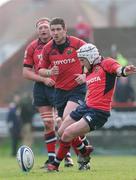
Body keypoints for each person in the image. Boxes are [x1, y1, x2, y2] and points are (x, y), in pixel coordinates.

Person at [46, 43, 136, 171]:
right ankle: (84, 150)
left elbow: (118, 70)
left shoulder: (106, 62)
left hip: (98, 112)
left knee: (67, 134)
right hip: (86, 106)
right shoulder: (88, 70)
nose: (81, 64)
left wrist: (125, 71)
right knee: (61, 131)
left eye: (82, 60)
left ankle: (54, 165)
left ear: (90, 57)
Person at [39, 17, 92, 170]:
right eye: (52, 30)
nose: (54, 33)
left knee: (65, 125)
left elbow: (94, 60)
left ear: (64, 30)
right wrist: (49, 71)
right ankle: (84, 152)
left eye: (57, 29)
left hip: (76, 89)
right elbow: (40, 70)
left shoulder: (77, 43)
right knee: (63, 127)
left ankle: (55, 164)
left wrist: (84, 75)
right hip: (59, 91)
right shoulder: (48, 48)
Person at [23, 17, 73, 168]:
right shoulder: (32, 47)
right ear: (37, 31)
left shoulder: (59, 44)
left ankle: (67, 156)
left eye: (46, 27)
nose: (43, 30)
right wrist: (43, 79)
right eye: (40, 28)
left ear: (51, 29)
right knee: (48, 123)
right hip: (41, 87)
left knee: (62, 122)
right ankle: (51, 158)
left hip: (59, 86)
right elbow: (26, 72)